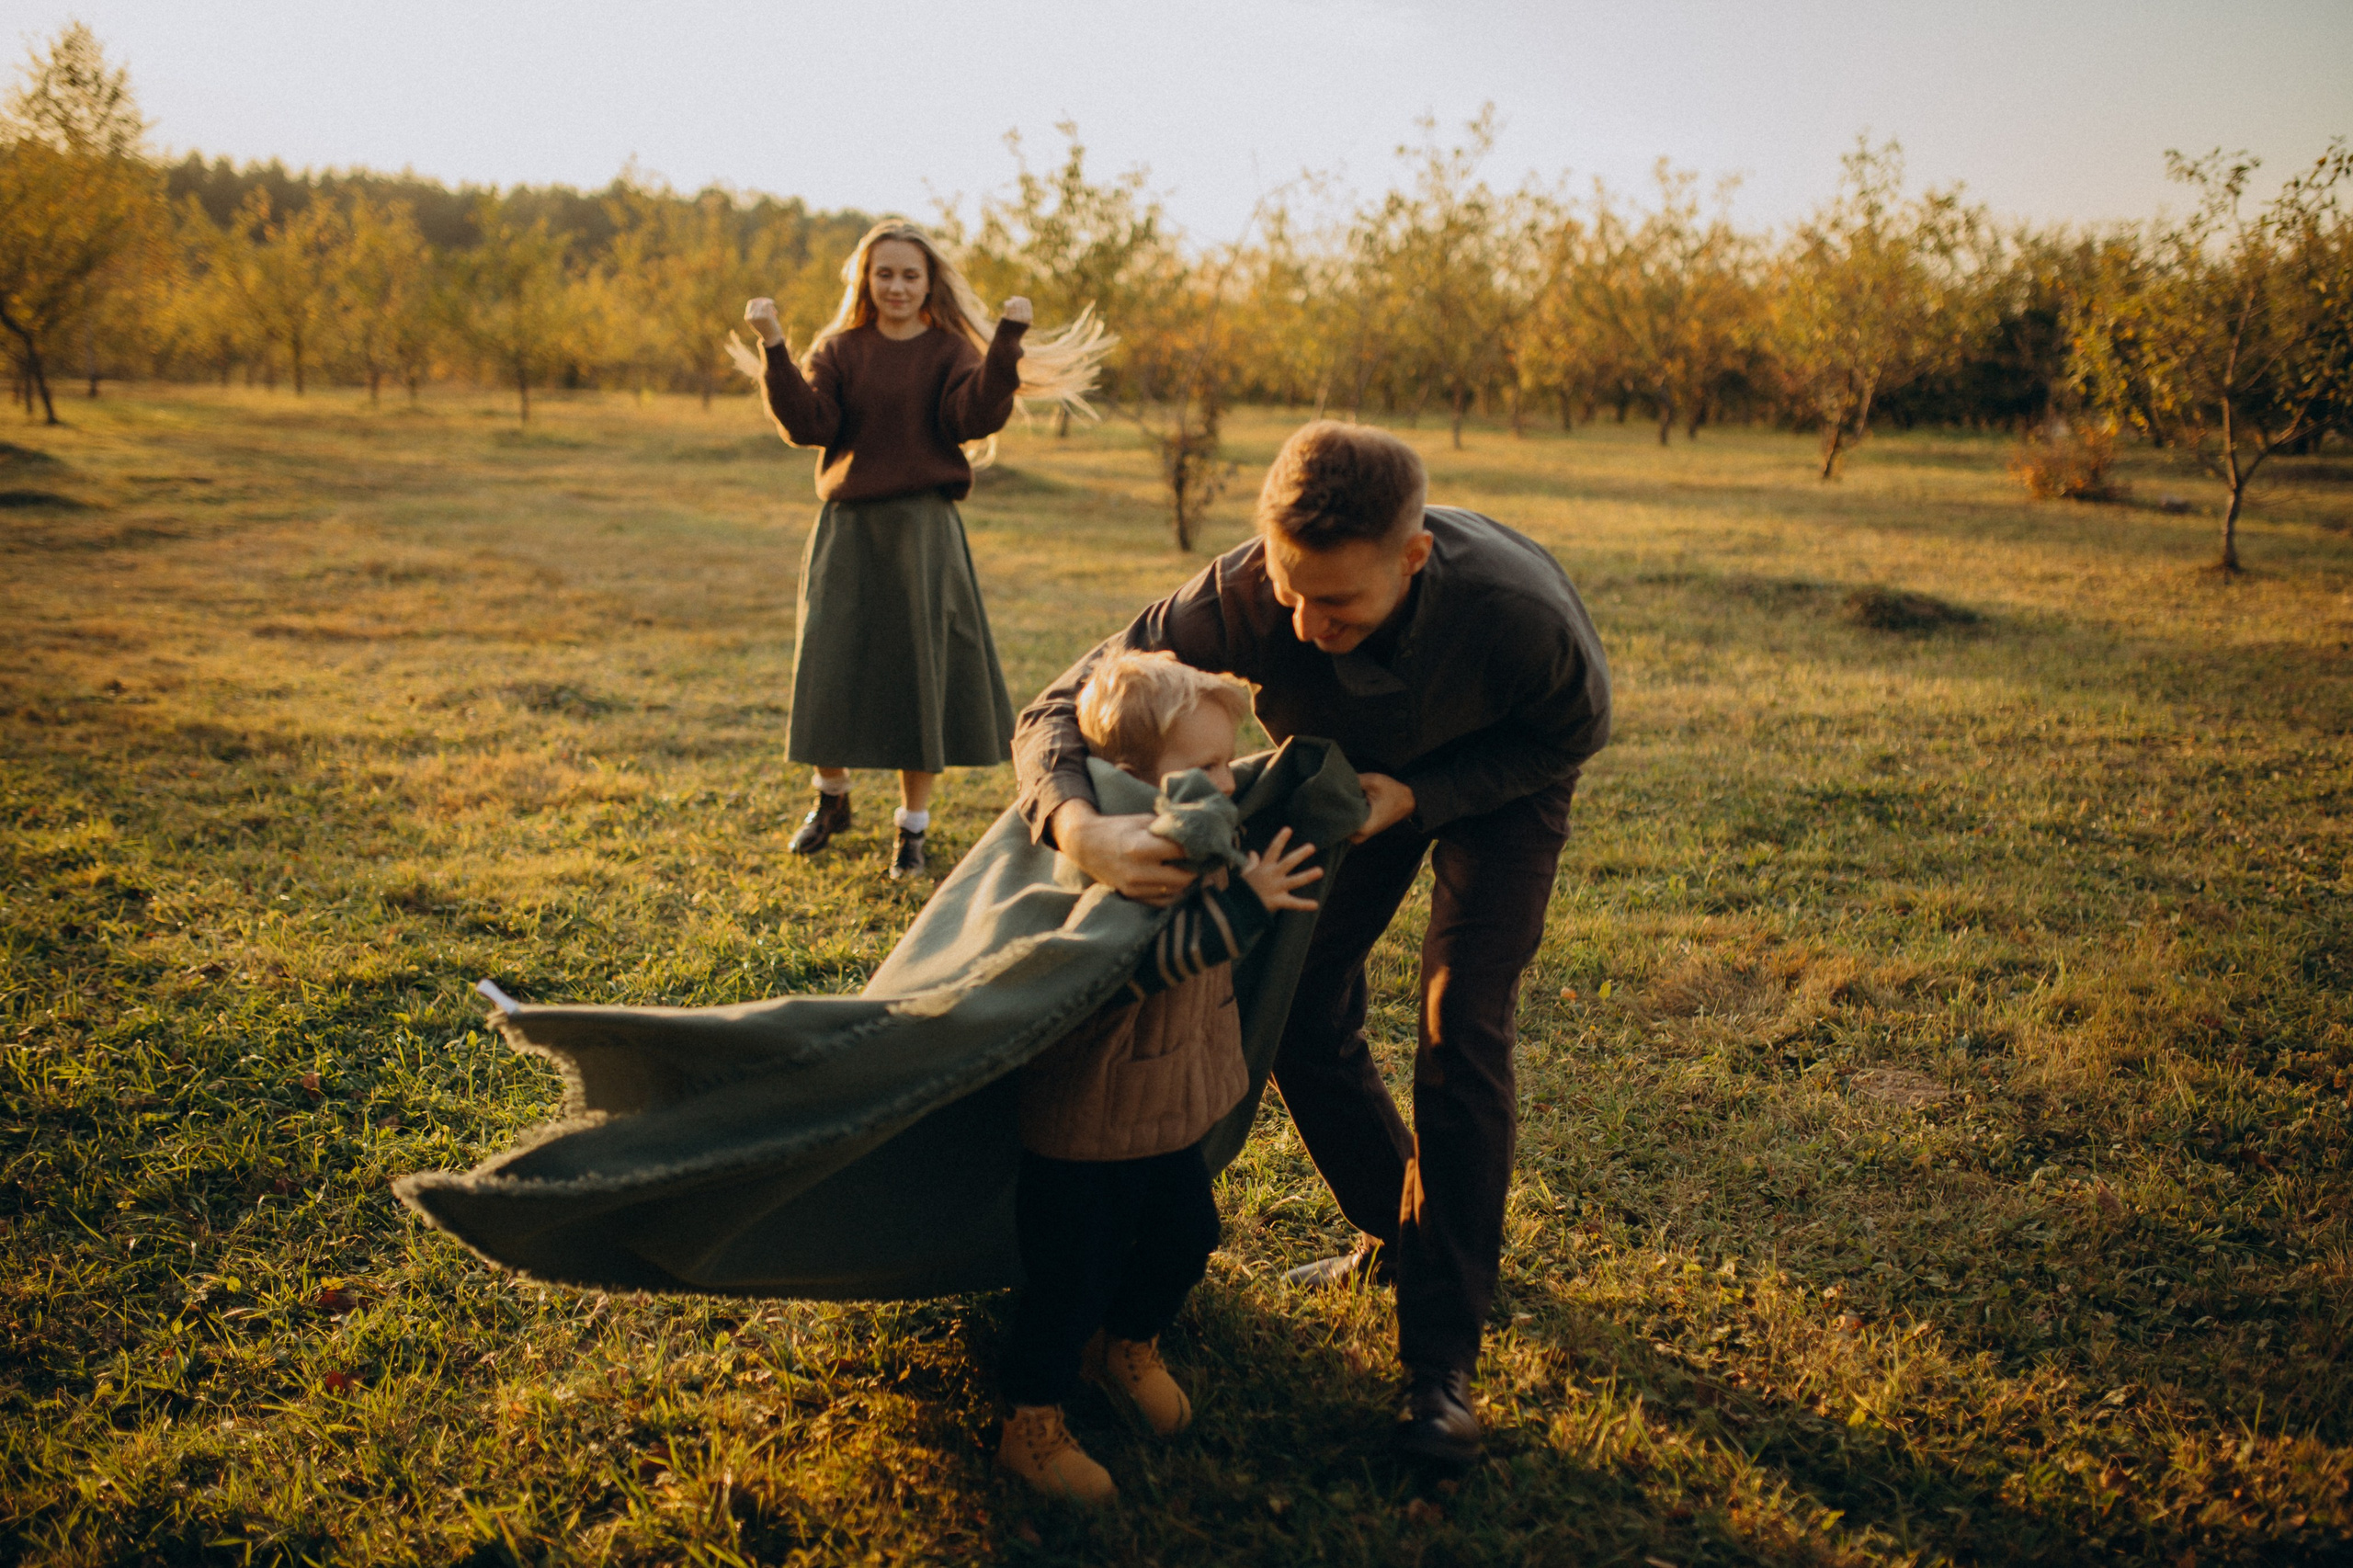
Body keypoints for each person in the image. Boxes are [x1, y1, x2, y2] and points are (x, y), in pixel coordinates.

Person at [1012, 422, 1612, 1466]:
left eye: (1336, 602)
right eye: (1291, 591)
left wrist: (1423, 795)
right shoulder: (1242, 594)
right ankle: (1401, 1228)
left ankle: (1441, 1369)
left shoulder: (1521, 614)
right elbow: (1063, 701)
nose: (1304, 619)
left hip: (1495, 787)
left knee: (1459, 1021)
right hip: (1351, 777)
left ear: (1412, 556)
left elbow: (1568, 730)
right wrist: (1078, 823)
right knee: (1293, 992)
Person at [997, 651, 1324, 1505]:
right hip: (1085, 1123)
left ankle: (1126, 1343)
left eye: (1229, 763)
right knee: (1068, 1279)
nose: (1226, 782)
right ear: (1130, 778)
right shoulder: (1125, 850)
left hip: (1163, 1107)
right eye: (1207, 768)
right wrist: (1246, 904)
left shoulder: (1195, 821)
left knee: (1185, 1234)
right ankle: (1030, 1426)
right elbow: (1126, 968)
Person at [737, 219, 1108, 879]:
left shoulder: (948, 351)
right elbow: (808, 424)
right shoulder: (839, 349)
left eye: (911, 274)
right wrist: (775, 346)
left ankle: (911, 829)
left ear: (929, 280)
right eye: (885, 273)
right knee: (830, 664)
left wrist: (1005, 344)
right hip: (848, 532)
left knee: (920, 675)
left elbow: (973, 418)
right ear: (865, 278)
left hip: (924, 535)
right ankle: (831, 797)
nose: (897, 286)